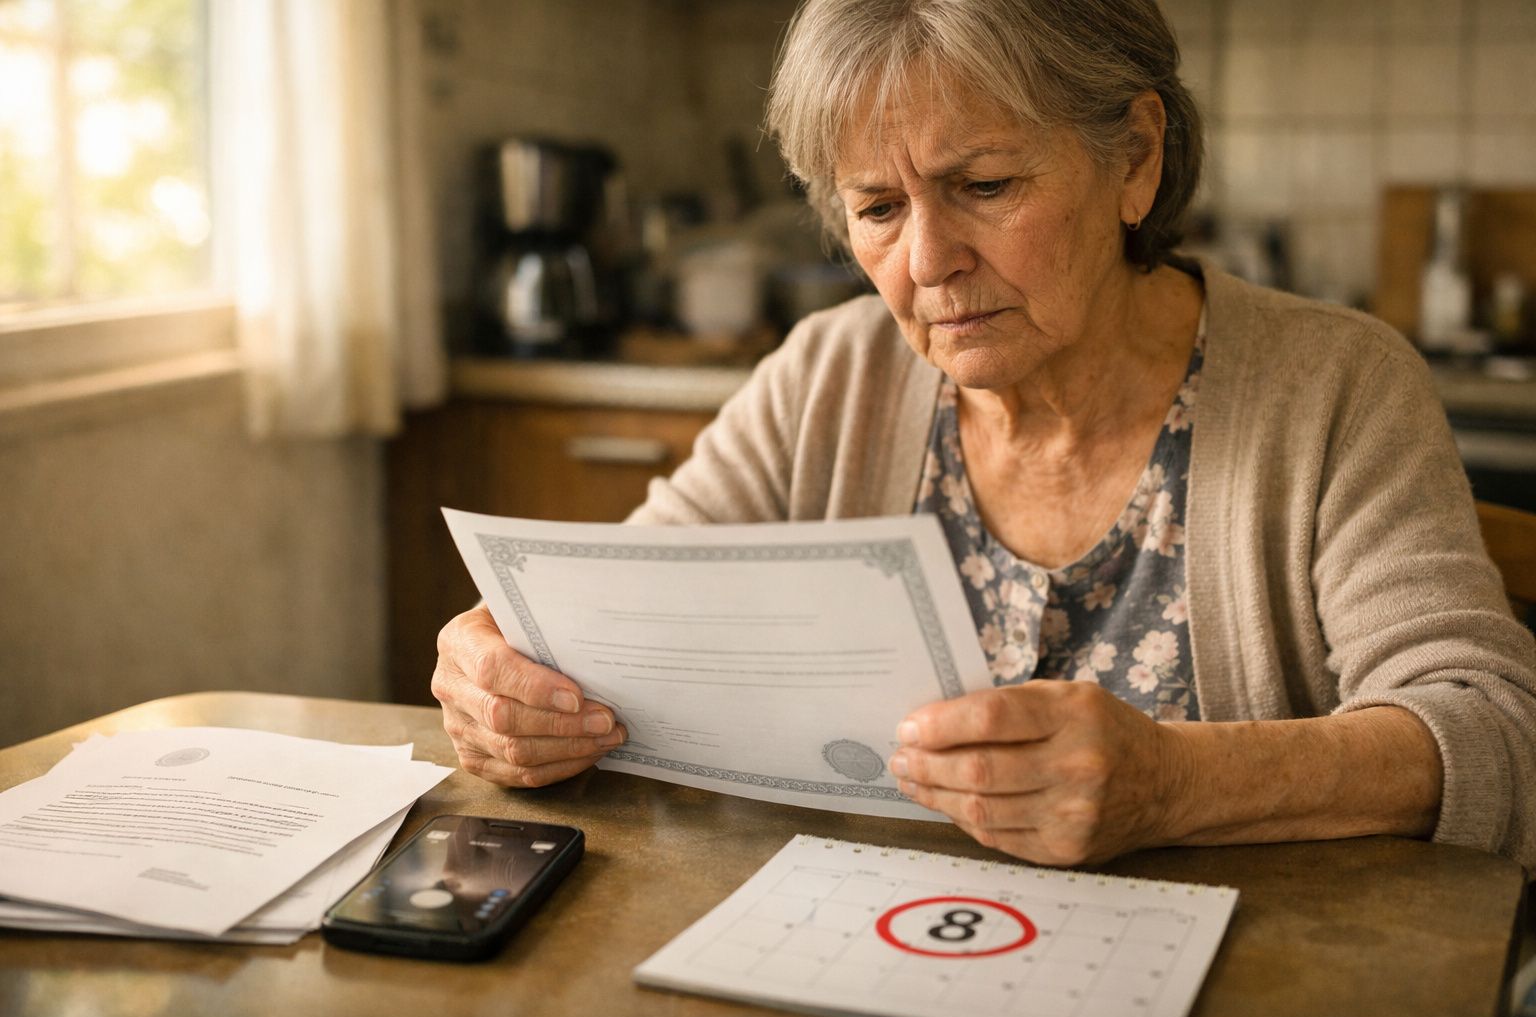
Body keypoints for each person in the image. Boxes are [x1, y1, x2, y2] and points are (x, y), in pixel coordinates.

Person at [431, 0, 1536, 869]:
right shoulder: (829, 376)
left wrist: (1177, 783)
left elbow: (1493, 735)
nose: (927, 263)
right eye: (878, 208)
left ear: (1136, 158)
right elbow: (619, 618)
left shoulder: (1336, 386)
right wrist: (509, 678)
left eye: (986, 184)